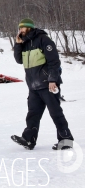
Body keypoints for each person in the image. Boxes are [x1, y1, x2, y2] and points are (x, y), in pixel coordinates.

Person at [11, 18, 74, 150]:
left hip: (47, 84)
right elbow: (19, 60)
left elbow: (54, 61)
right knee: (33, 114)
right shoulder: (25, 43)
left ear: (29, 28)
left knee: (55, 112)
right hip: (33, 86)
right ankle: (29, 140)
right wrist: (18, 45)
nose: (20, 30)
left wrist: (52, 80)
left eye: (22, 28)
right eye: (19, 28)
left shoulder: (43, 40)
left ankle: (66, 140)